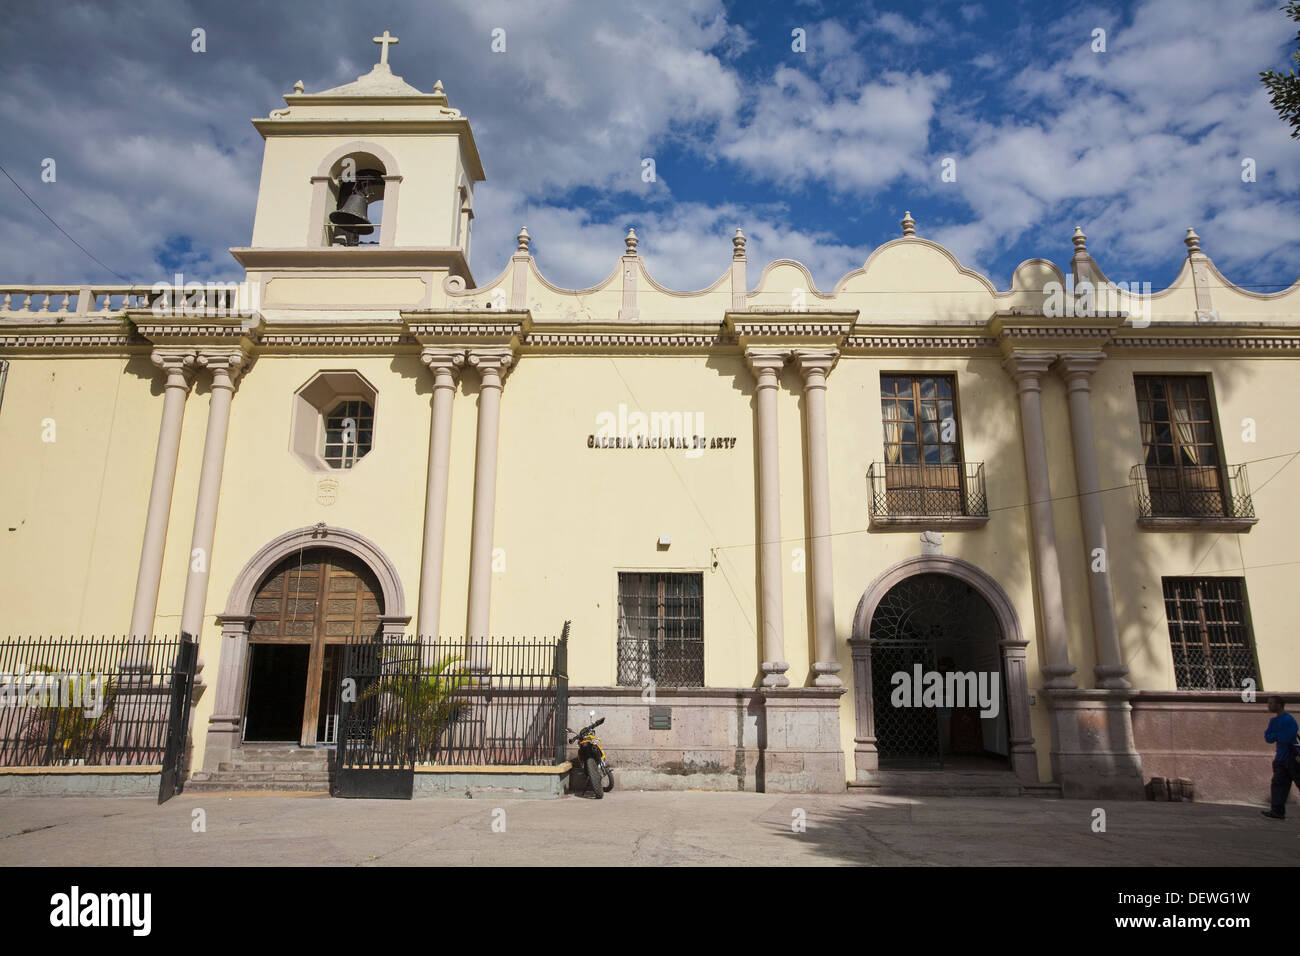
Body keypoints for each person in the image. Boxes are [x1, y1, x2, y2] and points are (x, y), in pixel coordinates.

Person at [1261, 696, 1299, 820]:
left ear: (1279, 705)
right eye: (1268, 703)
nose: (1269, 706)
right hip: (1280, 758)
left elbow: (1287, 736)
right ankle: (1277, 811)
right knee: (1278, 784)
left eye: (1271, 703)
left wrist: (1276, 735)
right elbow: (1268, 737)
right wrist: (1277, 735)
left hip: (1293, 757)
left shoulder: (1288, 719)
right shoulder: (1273, 721)